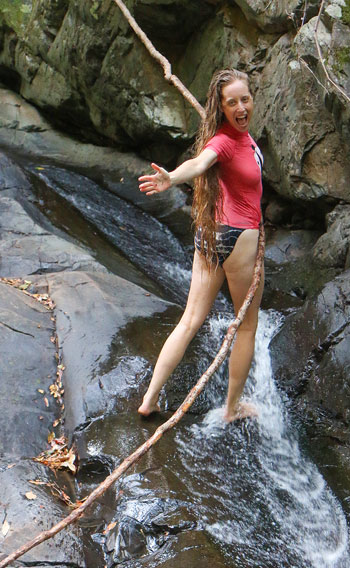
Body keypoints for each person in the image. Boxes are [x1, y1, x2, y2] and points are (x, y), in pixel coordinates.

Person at [137, 68, 264, 422]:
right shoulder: (223, 142)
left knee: (190, 319)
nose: (240, 107)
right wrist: (172, 177)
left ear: (252, 99)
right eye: (232, 102)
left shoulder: (236, 137)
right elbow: (200, 162)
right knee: (247, 326)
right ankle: (232, 408)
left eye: (245, 99)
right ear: (221, 107)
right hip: (239, 238)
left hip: (210, 235)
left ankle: (150, 399)